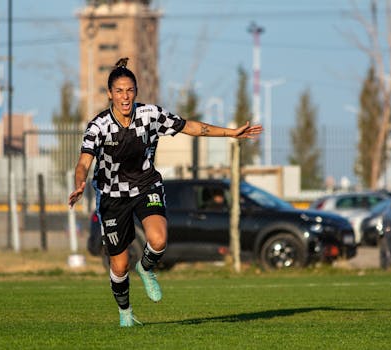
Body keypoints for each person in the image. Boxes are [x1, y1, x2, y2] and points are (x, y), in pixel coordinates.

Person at [68, 57, 263, 327]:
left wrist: (230, 133)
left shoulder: (151, 116)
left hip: (147, 185)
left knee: (158, 240)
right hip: (112, 195)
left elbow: (190, 127)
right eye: (120, 91)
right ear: (110, 94)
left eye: (130, 90)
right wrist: (79, 183)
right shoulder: (98, 126)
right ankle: (125, 313)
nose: (125, 97)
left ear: (136, 91)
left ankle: (146, 268)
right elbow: (83, 162)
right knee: (119, 265)